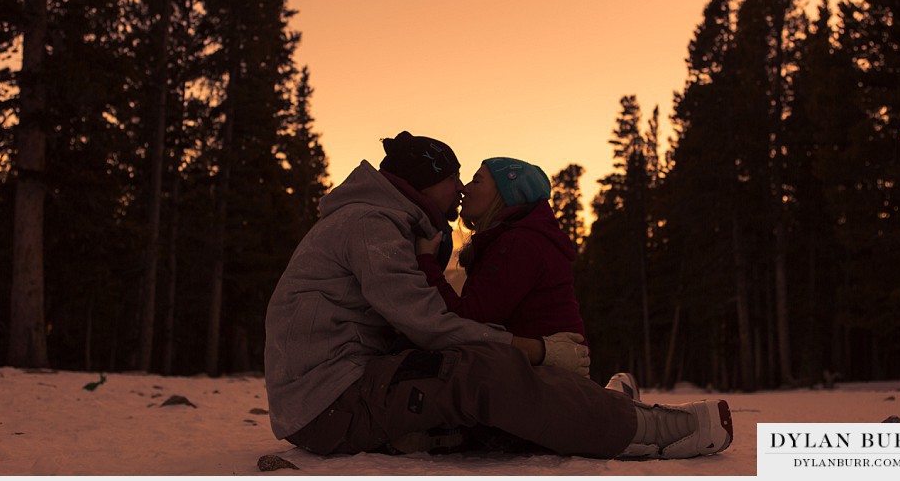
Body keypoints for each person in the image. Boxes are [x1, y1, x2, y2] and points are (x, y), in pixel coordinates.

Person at [264, 131, 733, 459]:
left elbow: (423, 321)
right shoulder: (370, 226)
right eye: (455, 178)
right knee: (483, 369)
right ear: (427, 181)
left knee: (488, 379)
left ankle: (605, 411)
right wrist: (536, 350)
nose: (461, 189)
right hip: (329, 402)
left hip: (337, 394)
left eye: (473, 179)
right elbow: (430, 322)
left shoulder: (379, 223)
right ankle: (646, 430)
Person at [416, 157, 586, 342]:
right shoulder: (519, 239)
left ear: (505, 193)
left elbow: (468, 318)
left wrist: (426, 260)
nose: (464, 188)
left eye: (476, 181)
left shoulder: (521, 244)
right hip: (539, 365)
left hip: (543, 368)